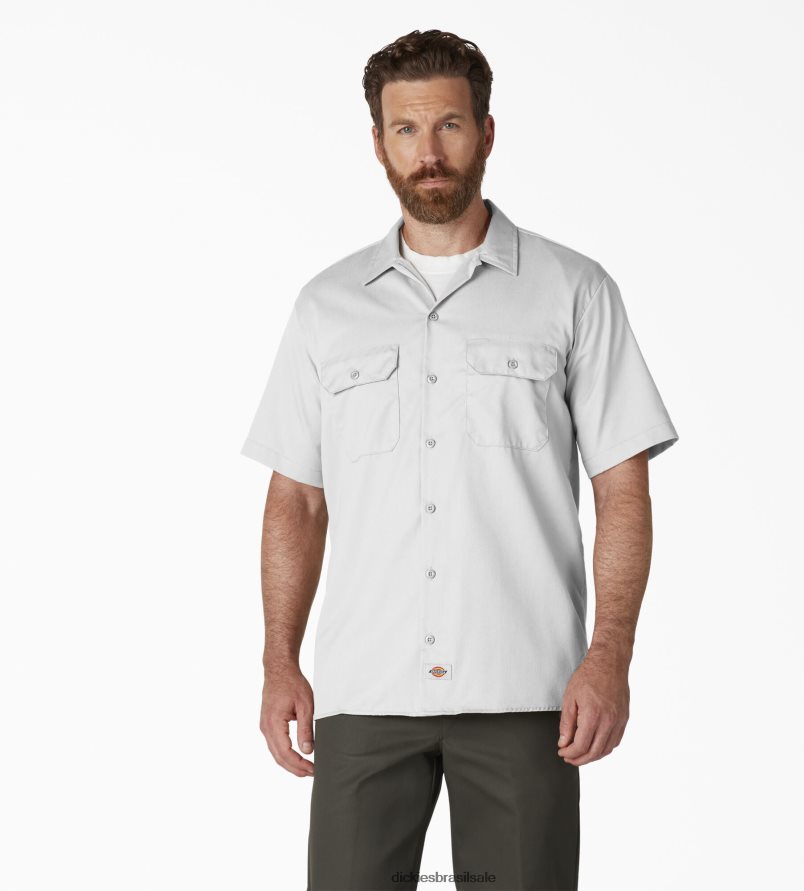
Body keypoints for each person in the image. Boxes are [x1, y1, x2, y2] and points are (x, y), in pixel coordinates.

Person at [240, 28, 679, 891]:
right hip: (365, 692)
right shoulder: (327, 306)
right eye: (405, 130)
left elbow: (621, 489)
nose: (429, 153)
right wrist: (278, 659)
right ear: (378, 143)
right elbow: (296, 499)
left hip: (525, 690)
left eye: (447, 125)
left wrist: (609, 655)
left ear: (485, 131)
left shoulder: (572, 289)